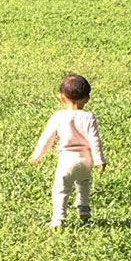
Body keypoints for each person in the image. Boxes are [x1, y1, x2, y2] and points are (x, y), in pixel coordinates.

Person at [30, 74, 107, 228]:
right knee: (84, 182)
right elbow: (94, 140)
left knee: (61, 189)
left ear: (61, 97)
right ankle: (83, 206)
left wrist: (37, 155)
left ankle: (59, 217)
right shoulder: (89, 117)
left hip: (67, 160)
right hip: (86, 160)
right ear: (87, 98)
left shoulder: (58, 117)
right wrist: (100, 160)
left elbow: (47, 138)